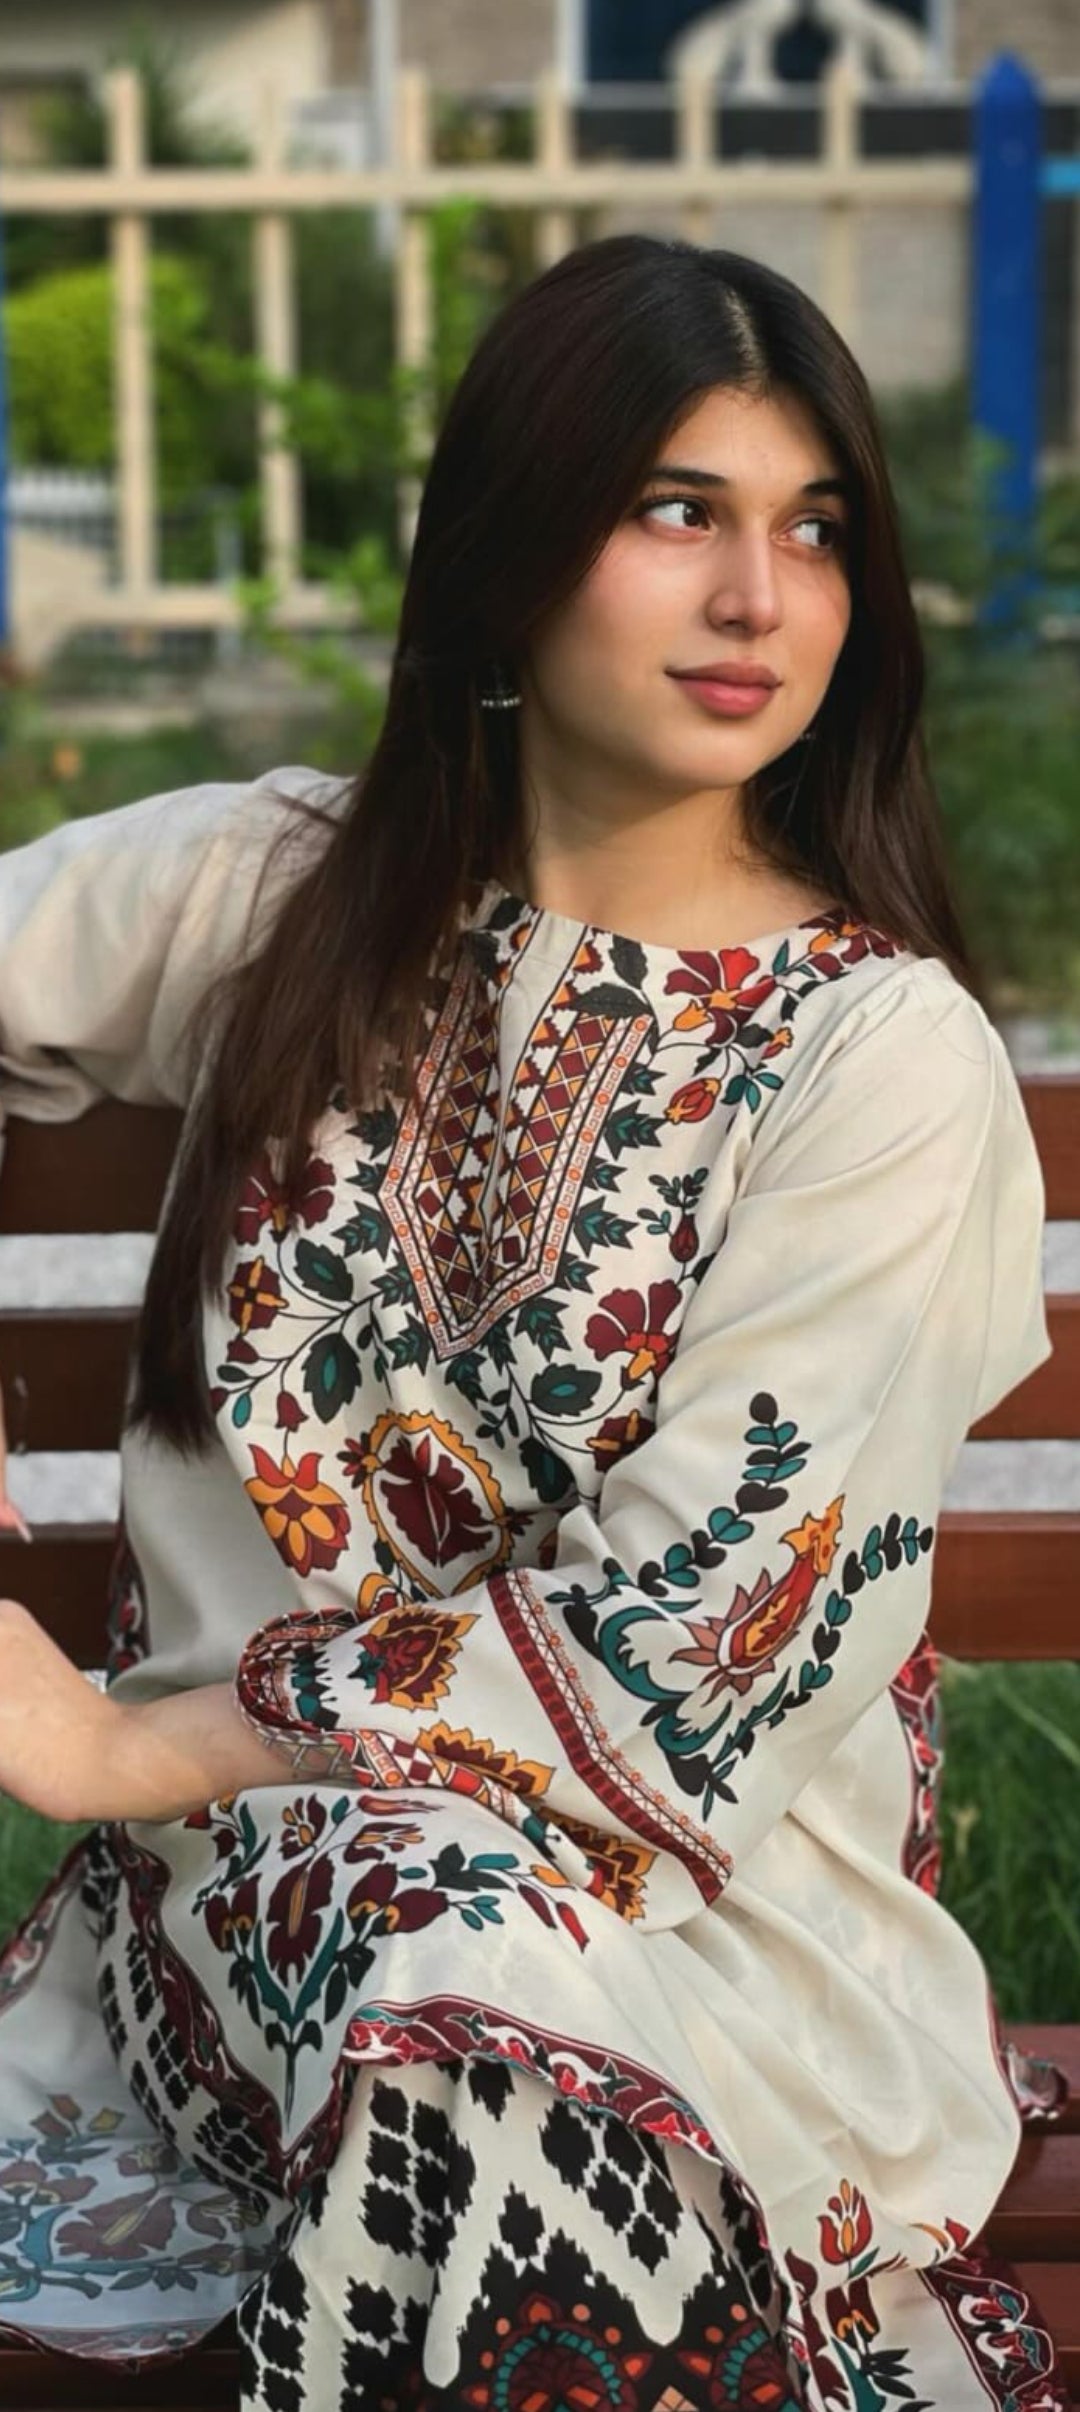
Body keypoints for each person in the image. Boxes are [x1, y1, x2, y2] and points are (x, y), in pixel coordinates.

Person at [0, 234, 1069, 2411]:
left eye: (815, 529)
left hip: (709, 1947)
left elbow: (688, 1661)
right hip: (249, 1910)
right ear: (507, 553)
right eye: (679, 510)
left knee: (472, 2032)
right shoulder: (272, 903)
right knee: (439, 1987)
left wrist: (122, 1750)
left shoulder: (877, 1063)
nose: (759, 599)